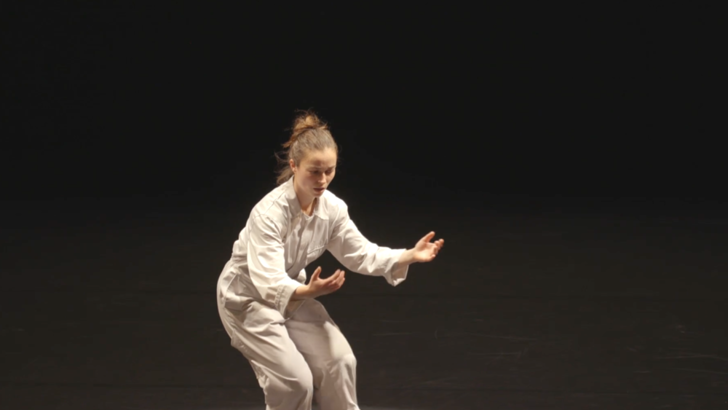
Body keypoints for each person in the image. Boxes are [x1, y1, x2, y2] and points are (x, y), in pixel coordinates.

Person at [216, 110, 444, 410]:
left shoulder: (332, 209)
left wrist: (408, 255)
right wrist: (308, 292)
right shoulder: (269, 213)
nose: (323, 180)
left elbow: (361, 253)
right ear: (294, 165)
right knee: (295, 382)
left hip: (295, 294)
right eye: (314, 171)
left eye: (330, 170)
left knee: (340, 360)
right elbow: (267, 280)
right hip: (247, 299)